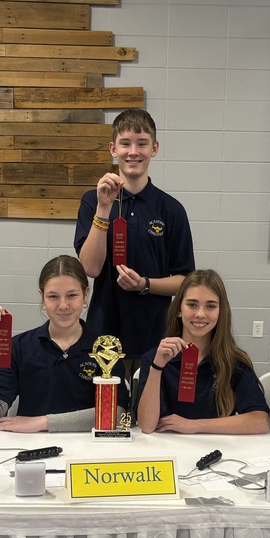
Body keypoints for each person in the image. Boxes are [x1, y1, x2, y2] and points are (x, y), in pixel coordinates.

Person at [75, 108, 195, 367]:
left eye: (142, 144)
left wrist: (145, 284)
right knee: (107, 408)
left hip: (154, 336)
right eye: (125, 143)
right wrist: (104, 208)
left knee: (145, 407)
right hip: (103, 334)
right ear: (112, 149)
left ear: (154, 148)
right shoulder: (92, 201)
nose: (133, 152)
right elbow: (90, 268)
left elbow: (185, 280)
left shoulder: (171, 209)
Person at [0, 255, 128, 432]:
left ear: (86, 294)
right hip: (30, 447)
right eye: (53, 296)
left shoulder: (105, 348)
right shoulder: (19, 347)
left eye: (72, 295)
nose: (63, 305)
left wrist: (43, 423)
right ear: (42, 296)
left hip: (86, 447)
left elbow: (118, 413)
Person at [136, 270, 270, 435]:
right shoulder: (154, 358)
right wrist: (157, 368)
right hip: (168, 450)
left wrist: (194, 426)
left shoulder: (234, 362)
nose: (200, 314)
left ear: (221, 312)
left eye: (211, 306)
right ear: (179, 309)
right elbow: (147, 426)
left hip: (216, 451)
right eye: (192, 305)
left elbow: (260, 421)